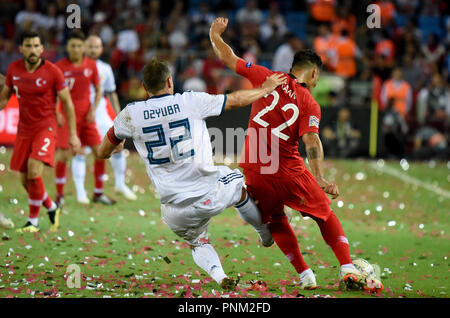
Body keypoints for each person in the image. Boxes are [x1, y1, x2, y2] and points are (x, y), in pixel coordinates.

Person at [209, 17, 383, 292]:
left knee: (277, 220)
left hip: (254, 169)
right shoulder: (309, 102)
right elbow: (311, 140)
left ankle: (305, 274)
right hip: (288, 170)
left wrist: (215, 33)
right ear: (314, 74)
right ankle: (348, 268)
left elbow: (227, 57)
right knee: (325, 215)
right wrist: (321, 177)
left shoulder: (266, 76)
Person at [97, 57, 284, 290]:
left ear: (144, 87)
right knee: (239, 187)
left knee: (198, 242)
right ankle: (263, 234)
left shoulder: (130, 114)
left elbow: (103, 151)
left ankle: (220, 276)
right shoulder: (190, 101)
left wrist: (117, 145)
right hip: (210, 193)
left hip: (175, 209)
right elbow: (235, 100)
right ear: (169, 81)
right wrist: (264, 89)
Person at [0, 31, 80, 233]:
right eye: (28, 45)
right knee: (26, 181)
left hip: (46, 127)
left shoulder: (53, 72)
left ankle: (32, 222)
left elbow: (67, 103)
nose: (33, 50)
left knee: (35, 170)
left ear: (42, 49)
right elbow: (4, 98)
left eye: (37, 46)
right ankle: (52, 207)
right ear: (21, 49)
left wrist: (72, 134)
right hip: (23, 129)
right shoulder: (13, 70)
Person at [69, 34, 136, 204]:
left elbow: (111, 92)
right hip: (82, 115)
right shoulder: (76, 67)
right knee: (81, 152)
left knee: (118, 145)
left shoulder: (105, 68)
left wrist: (119, 116)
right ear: (84, 48)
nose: (93, 50)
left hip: (100, 114)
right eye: (90, 46)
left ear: (101, 49)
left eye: (96, 47)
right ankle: (80, 191)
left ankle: (119, 184)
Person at [54, 30, 114, 205]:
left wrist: (93, 110)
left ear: (83, 48)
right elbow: (52, 93)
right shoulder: (59, 67)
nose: (76, 49)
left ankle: (98, 193)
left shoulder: (90, 65)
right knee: (64, 156)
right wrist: (56, 112)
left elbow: (98, 89)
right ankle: (59, 196)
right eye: (73, 46)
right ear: (67, 47)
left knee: (100, 153)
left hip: (87, 118)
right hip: (67, 117)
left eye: (79, 46)